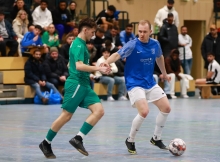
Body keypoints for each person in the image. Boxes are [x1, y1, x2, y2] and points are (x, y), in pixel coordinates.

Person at [39, 18, 111, 159]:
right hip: (76, 83)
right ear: (85, 30)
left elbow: (71, 64)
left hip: (84, 83)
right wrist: (98, 68)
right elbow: (78, 66)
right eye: (92, 32)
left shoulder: (81, 44)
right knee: (66, 115)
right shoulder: (78, 44)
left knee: (99, 111)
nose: (93, 34)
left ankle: (78, 138)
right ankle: (46, 142)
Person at [102, 20, 171, 154]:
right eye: (139, 31)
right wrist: (106, 62)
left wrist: (164, 73)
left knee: (166, 108)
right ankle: (130, 139)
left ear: (150, 32)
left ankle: (156, 138)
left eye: (145, 32)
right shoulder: (132, 44)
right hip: (134, 83)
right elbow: (117, 54)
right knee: (144, 111)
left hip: (149, 83)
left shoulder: (155, 44)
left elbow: (160, 57)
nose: (141, 34)